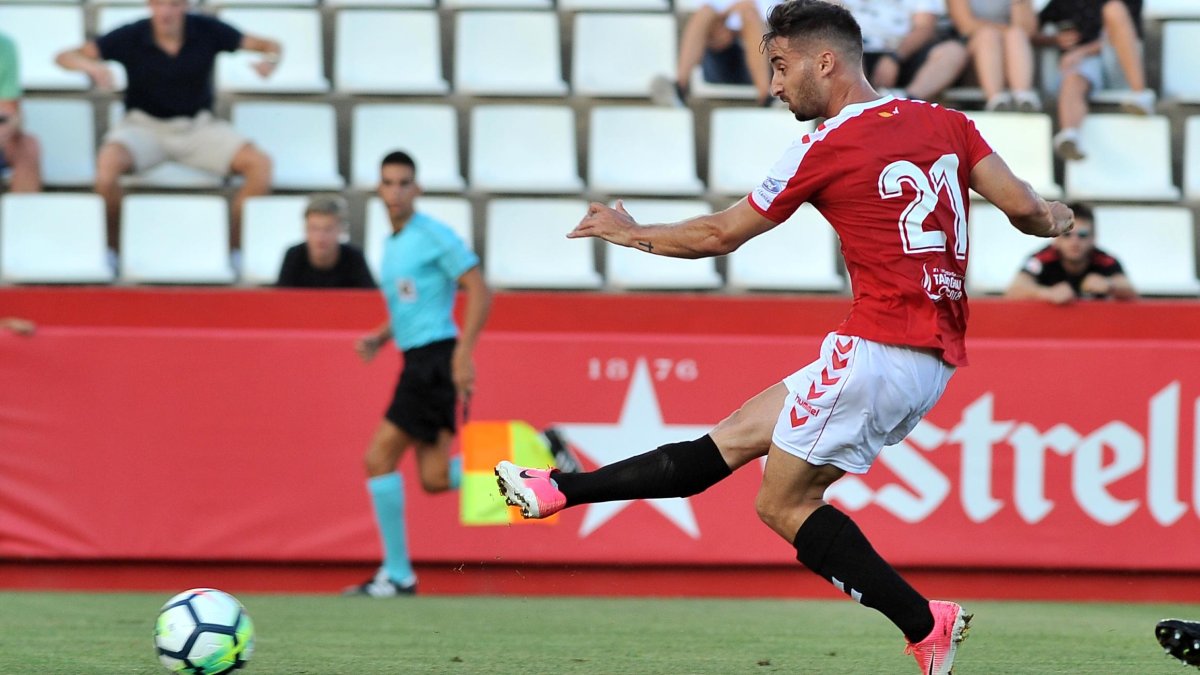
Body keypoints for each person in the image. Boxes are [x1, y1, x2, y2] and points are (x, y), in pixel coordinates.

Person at [495, 2, 1074, 673]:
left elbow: (720, 234)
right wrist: (1057, 220)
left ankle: (925, 622)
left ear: (823, 61)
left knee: (782, 502)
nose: (773, 84)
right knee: (734, 438)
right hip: (923, 357)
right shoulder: (947, 124)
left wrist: (630, 233)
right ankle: (560, 489)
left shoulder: (826, 145)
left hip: (879, 351)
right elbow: (1028, 207)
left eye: (779, 65)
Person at [344, 151, 491, 598]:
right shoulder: (391, 244)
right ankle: (542, 455)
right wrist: (381, 336)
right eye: (388, 183)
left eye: (404, 182)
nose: (396, 191)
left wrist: (464, 355)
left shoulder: (432, 236)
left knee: (377, 460)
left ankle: (398, 573)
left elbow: (480, 289)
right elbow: (410, 305)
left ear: (417, 189)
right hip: (417, 358)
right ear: (379, 189)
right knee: (433, 478)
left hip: (433, 361)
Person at [54, 0, 279, 252]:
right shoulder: (131, 34)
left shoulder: (208, 29)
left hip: (197, 127)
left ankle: (235, 252)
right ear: (149, 5)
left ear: (186, 6)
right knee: (106, 168)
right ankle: (111, 252)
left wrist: (269, 61)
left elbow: (271, 46)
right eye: (159, 3)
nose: (166, 11)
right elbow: (64, 57)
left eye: (174, 4)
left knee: (260, 165)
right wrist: (92, 67)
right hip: (143, 127)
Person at [1038, 0, 1153, 160]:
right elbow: (1031, 31)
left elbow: (1128, 36)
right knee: (1073, 78)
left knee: (1114, 9)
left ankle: (1140, 93)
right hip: (1085, 63)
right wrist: (1055, 39)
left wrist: (1083, 51)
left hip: (1120, 60)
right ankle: (1070, 134)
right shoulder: (1061, 4)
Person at [652, 0, 780, 107]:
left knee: (750, 17)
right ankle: (679, 89)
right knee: (705, 13)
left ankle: (767, 98)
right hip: (720, 55)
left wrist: (740, 29)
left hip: (761, 56)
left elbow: (776, 26)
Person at [838, 0, 968, 102]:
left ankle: (909, 101)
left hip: (906, 52)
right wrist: (855, 57)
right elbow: (831, 23)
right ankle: (856, 109)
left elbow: (924, 27)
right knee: (838, 55)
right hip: (856, 52)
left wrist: (895, 57)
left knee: (953, 51)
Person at [1005, 202, 1135, 303]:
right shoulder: (1041, 259)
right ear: (1056, 237)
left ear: (1093, 238)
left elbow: (1130, 291)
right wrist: (1048, 293)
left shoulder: (1105, 260)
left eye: (1082, 235)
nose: (1074, 242)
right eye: (1067, 235)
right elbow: (1014, 290)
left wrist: (1108, 285)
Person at [947, 0, 1040, 111]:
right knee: (989, 35)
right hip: (972, 59)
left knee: (1016, 35)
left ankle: (1023, 96)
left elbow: (1028, 30)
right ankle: (995, 98)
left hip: (1008, 53)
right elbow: (966, 26)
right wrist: (1004, 31)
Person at [276, 194, 375, 289]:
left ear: (340, 230)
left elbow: (371, 298)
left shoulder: (354, 258)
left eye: (328, 229)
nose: (320, 237)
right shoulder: (293, 256)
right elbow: (280, 299)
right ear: (305, 229)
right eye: (314, 229)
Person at [0, 31, 42, 194]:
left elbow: (9, 110)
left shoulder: (4, 46)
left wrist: (7, 127)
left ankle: (26, 217)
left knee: (26, 147)